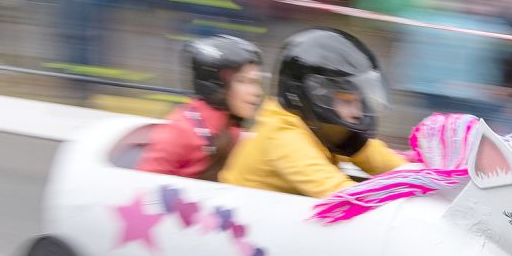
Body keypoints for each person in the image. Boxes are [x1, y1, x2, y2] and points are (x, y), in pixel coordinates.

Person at [219, 28, 408, 198]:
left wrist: (420, 176)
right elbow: (341, 195)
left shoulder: (322, 128)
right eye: (346, 100)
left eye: (359, 100)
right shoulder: (282, 136)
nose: (358, 112)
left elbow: (383, 160)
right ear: (309, 95)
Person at [137, 35, 264, 180]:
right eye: (244, 81)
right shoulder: (179, 133)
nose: (257, 92)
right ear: (217, 85)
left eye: (256, 82)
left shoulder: (231, 130)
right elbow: (144, 188)